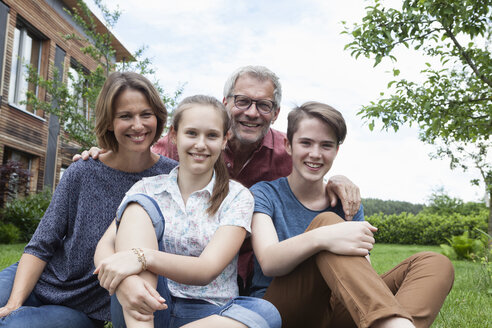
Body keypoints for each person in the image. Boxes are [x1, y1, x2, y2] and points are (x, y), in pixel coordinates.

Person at [77, 65, 362, 291]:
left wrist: (337, 179)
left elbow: (315, 160)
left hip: (244, 277)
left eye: (263, 105)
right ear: (226, 103)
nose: (252, 112)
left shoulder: (286, 152)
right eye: (243, 101)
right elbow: (137, 157)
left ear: (275, 114)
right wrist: (105, 155)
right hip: (176, 277)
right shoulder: (173, 148)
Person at [249, 101, 454, 328]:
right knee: (327, 223)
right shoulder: (264, 194)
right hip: (282, 310)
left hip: (338, 309)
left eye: (326, 145)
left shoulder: (347, 202)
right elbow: (268, 261)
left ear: (337, 150)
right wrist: (323, 237)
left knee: (434, 262)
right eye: (306, 143)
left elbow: (362, 271)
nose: (315, 154)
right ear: (288, 145)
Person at [0, 72, 178, 328]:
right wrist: (14, 303)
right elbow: (41, 245)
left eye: (146, 114)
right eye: (125, 116)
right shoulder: (83, 171)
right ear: (109, 123)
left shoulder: (170, 179)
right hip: (42, 280)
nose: (138, 125)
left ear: (158, 118)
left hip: (83, 309)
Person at [94, 95, 281, 328]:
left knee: (266, 313)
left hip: (210, 315)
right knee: (139, 205)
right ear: (174, 135)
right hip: (148, 305)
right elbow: (105, 246)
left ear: (225, 140)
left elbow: (206, 270)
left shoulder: (237, 197)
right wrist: (124, 283)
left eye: (211, 135)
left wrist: (142, 257)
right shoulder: (146, 189)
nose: (200, 144)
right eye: (191, 133)